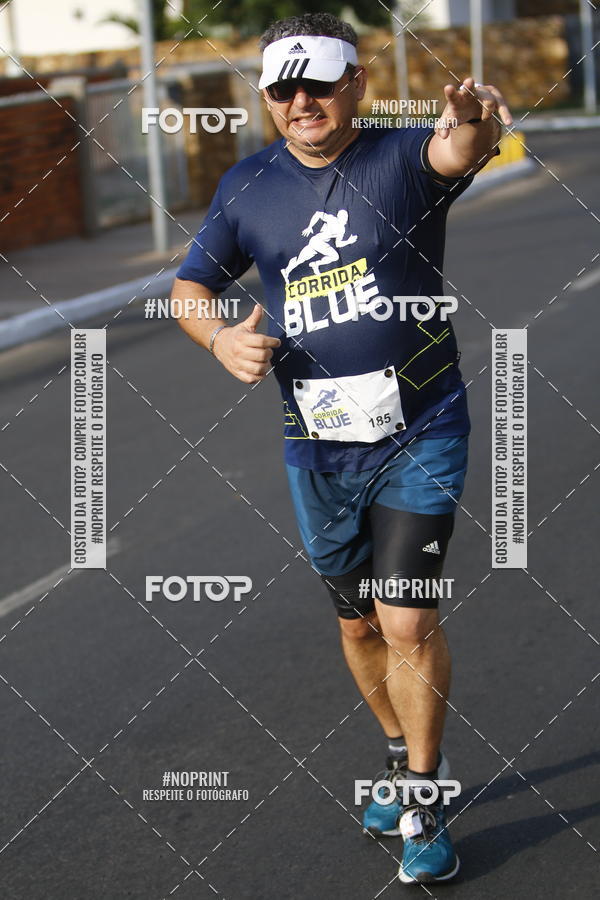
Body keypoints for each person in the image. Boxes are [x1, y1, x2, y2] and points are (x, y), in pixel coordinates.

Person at [172, 12, 512, 884]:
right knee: (358, 622)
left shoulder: (400, 158)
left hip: (423, 426)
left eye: (317, 83)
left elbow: (461, 147)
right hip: (317, 444)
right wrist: (219, 342)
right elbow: (190, 288)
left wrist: (475, 115)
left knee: (405, 616)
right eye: (282, 89)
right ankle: (397, 756)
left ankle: (424, 804)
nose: (300, 102)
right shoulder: (248, 187)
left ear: (356, 82)